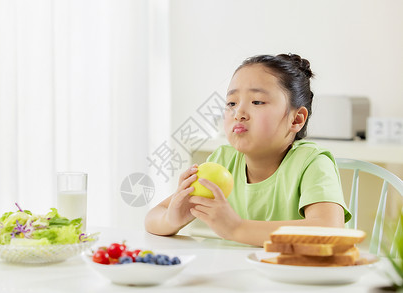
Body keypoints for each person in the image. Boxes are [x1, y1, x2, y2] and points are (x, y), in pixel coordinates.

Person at [144, 53, 351, 246]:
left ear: (296, 119)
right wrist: (172, 218)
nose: (239, 113)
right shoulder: (222, 160)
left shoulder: (311, 162)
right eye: (231, 103)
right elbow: (153, 217)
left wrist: (237, 228)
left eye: (257, 101)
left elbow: (329, 230)